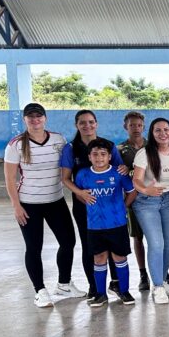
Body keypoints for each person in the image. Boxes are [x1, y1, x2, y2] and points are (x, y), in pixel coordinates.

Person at [4, 103, 82, 307]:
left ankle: (64, 284)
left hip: (55, 201)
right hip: (29, 204)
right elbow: (10, 179)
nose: (35, 120)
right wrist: (16, 206)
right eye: (30, 117)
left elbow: (68, 167)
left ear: (45, 118)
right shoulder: (15, 145)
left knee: (68, 242)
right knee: (34, 247)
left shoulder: (58, 140)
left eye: (38, 116)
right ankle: (40, 290)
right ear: (25, 120)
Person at [60, 109, 126, 299]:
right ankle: (95, 287)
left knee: (114, 245)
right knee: (91, 246)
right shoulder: (70, 149)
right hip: (85, 206)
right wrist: (80, 193)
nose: (87, 126)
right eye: (82, 122)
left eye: (91, 122)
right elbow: (65, 178)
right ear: (76, 125)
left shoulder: (109, 146)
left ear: (96, 124)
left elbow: (120, 170)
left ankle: (117, 283)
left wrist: (124, 168)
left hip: (110, 206)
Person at [132, 118, 169, 305]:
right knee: (156, 244)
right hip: (146, 201)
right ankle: (157, 287)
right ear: (152, 133)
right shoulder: (144, 153)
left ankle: (162, 279)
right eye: (158, 130)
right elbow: (136, 180)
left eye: (166, 129)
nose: (163, 133)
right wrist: (146, 190)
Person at [74, 138, 137, 307]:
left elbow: (132, 192)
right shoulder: (83, 174)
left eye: (103, 154)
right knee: (99, 258)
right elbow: (79, 195)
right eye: (95, 154)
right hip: (94, 225)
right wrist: (90, 205)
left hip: (117, 224)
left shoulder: (119, 173)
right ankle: (100, 294)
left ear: (110, 156)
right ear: (89, 157)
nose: (99, 158)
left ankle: (124, 291)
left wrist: (123, 207)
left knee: (120, 257)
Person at [118, 111, 150, 290]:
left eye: (139, 125)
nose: (136, 128)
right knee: (138, 237)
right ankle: (143, 274)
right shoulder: (120, 150)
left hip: (153, 197)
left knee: (156, 238)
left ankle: (161, 272)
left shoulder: (152, 146)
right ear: (126, 127)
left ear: (144, 127)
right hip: (133, 198)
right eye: (132, 125)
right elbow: (116, 174)